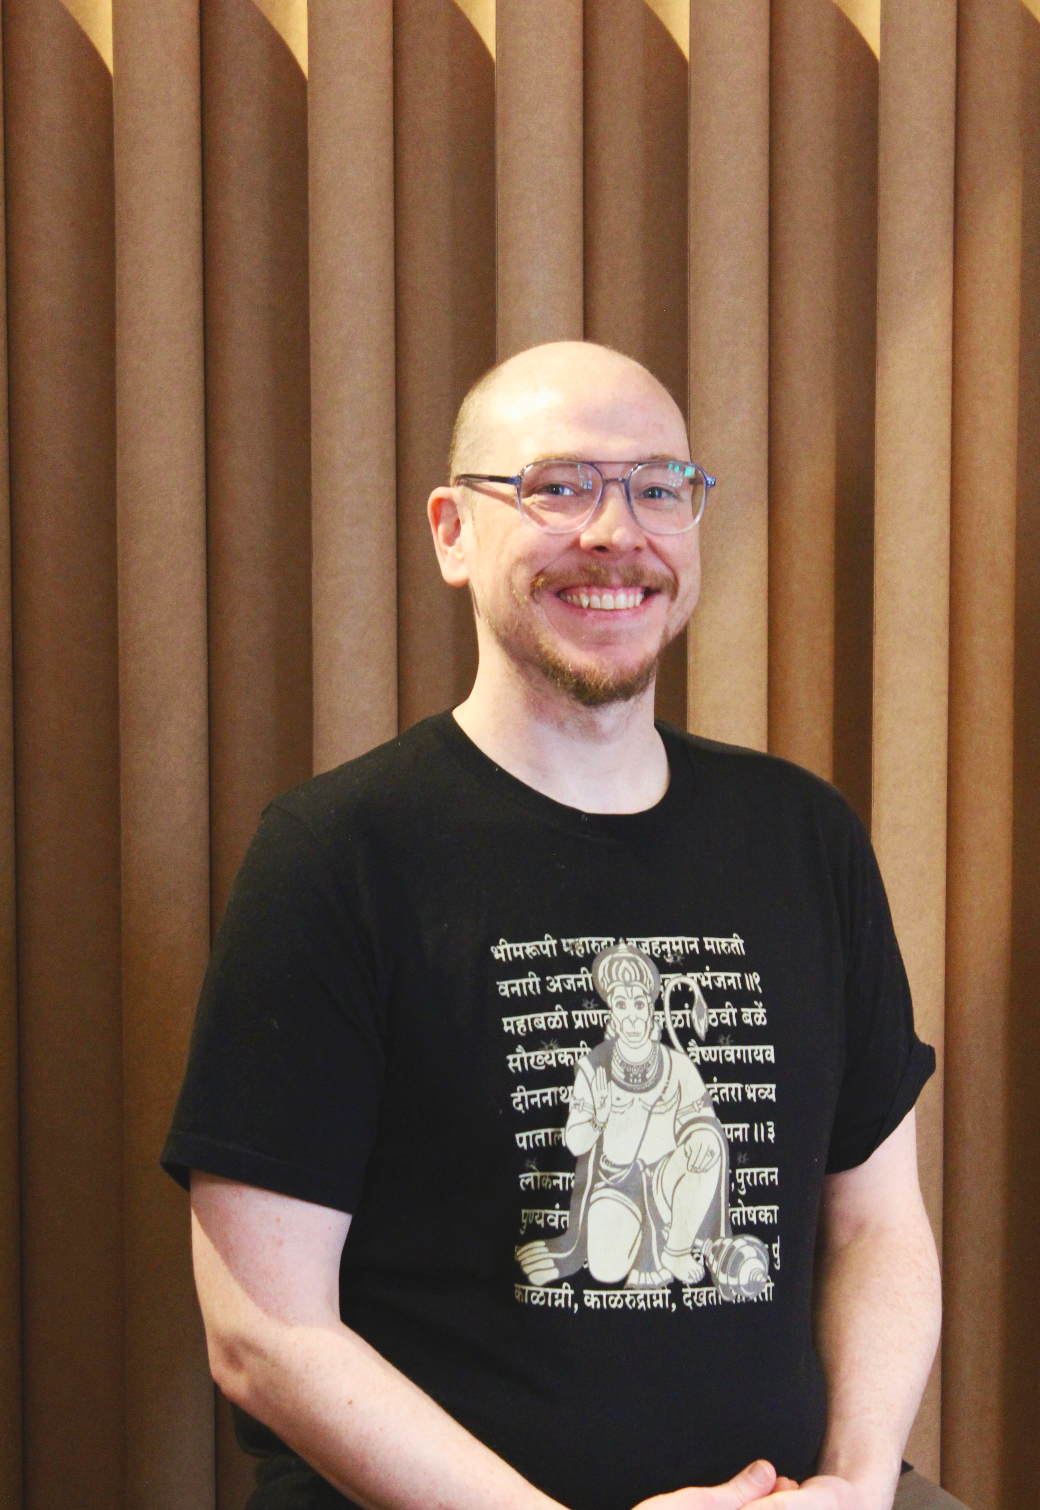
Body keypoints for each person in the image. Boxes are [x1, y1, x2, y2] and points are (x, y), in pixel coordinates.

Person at [163, 341, 960, 1510]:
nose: (613, 532)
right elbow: (260, 1333)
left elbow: (873, 1229)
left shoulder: (803, 837)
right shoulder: (336, 856)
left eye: (656, 488)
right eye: (558, 486)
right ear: (451, 533)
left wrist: (852, 1484)